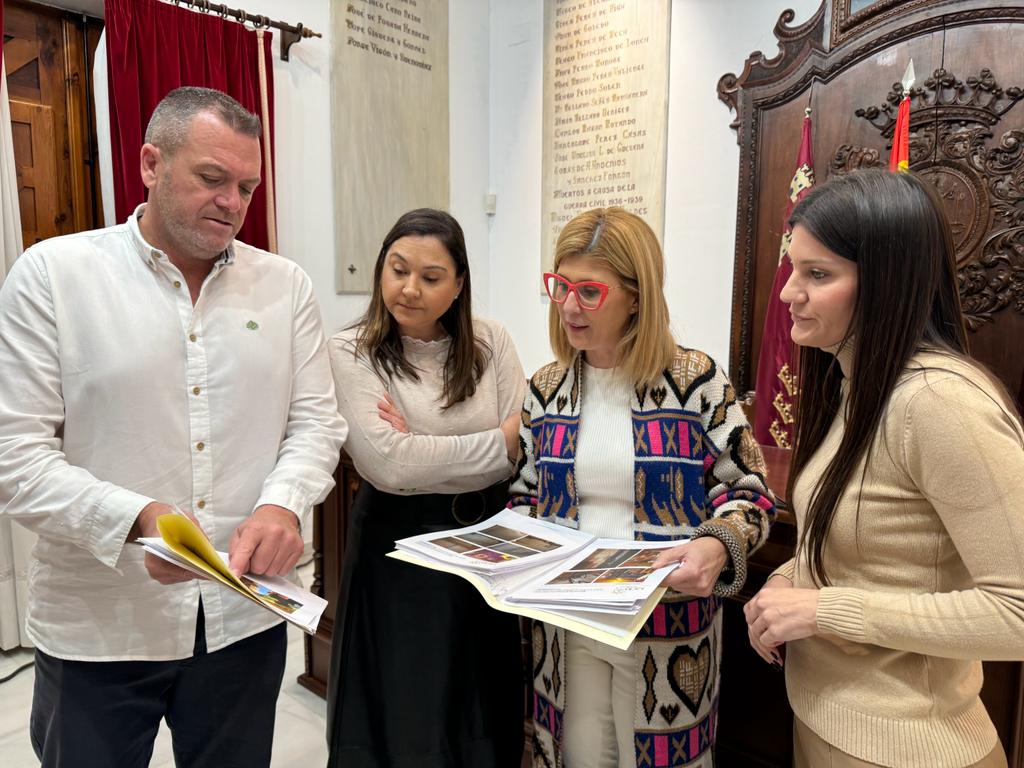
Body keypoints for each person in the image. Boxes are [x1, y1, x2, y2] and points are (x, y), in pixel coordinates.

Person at [0, 87, 346, 768]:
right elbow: (14, 457)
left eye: (246, 185)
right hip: (101, 624)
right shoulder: (54, 276)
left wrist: (283, 502)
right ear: (151, 164)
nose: (232, 202)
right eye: (212, 179)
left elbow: (314, 421)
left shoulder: (285, 287)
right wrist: (138, 517)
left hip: (241, 617)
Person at [743, 168, 1024, 768]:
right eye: (794, 268)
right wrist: (790, 576)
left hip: (911, 746)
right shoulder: (852, 385)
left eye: (818, 274)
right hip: (827, 720)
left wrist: (823, 609)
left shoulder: (939, 402)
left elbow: (1017, 611)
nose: (789, 293)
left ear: (888, 284)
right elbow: (879, 548)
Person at [508, 207, 775, 768]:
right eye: (560, 286)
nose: (568, 306)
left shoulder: (695, 381)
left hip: (667, 625)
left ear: (636, 296)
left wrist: (713, 544)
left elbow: (748, 491)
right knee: (576, 757)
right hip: (568, 623)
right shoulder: (545, 389)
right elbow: (525, 497)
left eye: (589, 291)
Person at [326, 208, 526, 768]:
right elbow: (391, 466)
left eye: (432, 277)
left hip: (487, 535)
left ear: (459, 284)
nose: (409, 289)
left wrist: (427, 445)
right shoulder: (351, 350)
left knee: (479, 693)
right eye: (397, 269)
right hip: (397, 542)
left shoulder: (492, 341)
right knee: (405, 699)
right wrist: (497, 441)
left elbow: (526, 441)